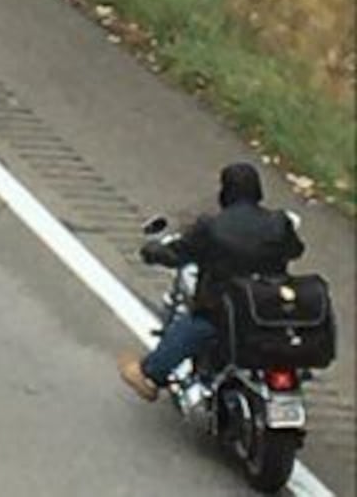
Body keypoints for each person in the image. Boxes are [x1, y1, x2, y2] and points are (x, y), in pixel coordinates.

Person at [119, 163, 307, 400]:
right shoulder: (279, 222)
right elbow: (297, 250)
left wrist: (152, 251)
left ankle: (150, 374)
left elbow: (178, 254)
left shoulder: (211, 227)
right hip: (269, 310)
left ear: (225, 191)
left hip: (224, 311)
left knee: (192, 326)